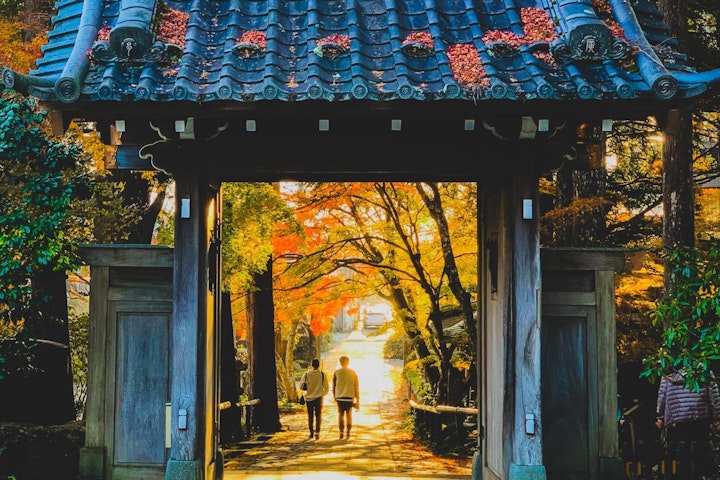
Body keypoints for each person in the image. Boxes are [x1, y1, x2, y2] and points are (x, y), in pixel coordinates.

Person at [655, 369, 720, 478]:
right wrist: (717, 417)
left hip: (677, 418)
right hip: (700, 416)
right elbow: (714, 396)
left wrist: (660, 417)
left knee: (681, 453)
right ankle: (700, 475)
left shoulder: (668, 372)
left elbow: (662, 396)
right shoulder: (704, 369)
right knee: (700, 453)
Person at [299, 358, 329, 440]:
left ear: (311, 365)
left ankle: (311, 433)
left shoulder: (306, 374)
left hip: (309, 398)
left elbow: (301, 386)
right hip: (319, 398)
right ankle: (317, 432)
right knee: (318, 415)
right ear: (318, 365)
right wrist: (323, 393)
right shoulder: (322, 374)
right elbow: (326, 387)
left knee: (310, 415)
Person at [332, 355, 360, 439]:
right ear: (348, 363)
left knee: (340, 415)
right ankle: (348, 431)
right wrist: (357, 400)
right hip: (349, 397)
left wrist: (334, 396)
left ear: (340, 363)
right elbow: (356, 387)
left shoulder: (336, 372)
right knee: (349, 415)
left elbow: (334, 385)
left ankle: (341, 431)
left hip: (339, 397)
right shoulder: (353, 373)